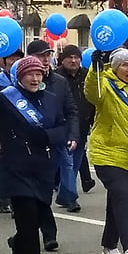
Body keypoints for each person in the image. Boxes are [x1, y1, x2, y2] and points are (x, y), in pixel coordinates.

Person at [0, 53, 67, 254]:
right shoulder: (7, 99)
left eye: (38, 74)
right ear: (20, 78)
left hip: (44, 166)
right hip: (16, 166)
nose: (35, 79)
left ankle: (18, 243)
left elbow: (62, 127)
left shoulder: (53, 99)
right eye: (29, 75)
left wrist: (46, 136)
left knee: (36, 217)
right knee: (27, 216)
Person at [85, 48, 128, 254]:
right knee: (123, 196)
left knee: (118, 199)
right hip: (107, 154)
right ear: (114, 67)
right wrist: (94, 69)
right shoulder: (104, 83)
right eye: (124, 65)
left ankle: (109, 244)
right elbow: (92, 93)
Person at [27, 39, 81, 220]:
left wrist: (73, 134)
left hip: (58, 131)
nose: (44, 59)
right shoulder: (22, 78)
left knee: (67, 162)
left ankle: (70, 196)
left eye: (47, 55)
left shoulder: (59, 81)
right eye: (40, 55)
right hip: (33, 135)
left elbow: (71, 109)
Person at [56, 43, 96, 194]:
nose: (73, 61)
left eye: (76, 57)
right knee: (67, 162)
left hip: (82, 125)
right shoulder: (56, 77)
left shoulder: (87, 76)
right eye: (69, 57)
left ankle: (66, 193)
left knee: (74, 163)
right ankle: (68, 196)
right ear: (62, 60)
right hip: (62, 125)